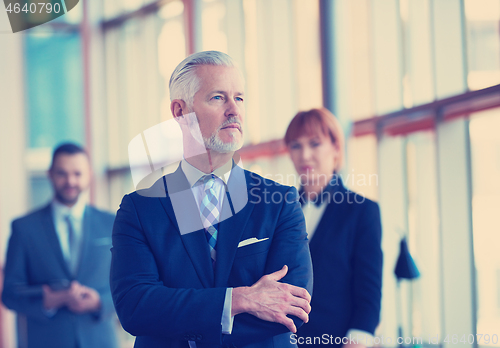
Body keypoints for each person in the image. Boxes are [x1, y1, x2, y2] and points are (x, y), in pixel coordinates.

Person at [110, 50, 313, 348]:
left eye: (239, 98)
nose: (234, 110)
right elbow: (136, 308)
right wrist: (239, 299)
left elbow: (291, 306)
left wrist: (183, 313)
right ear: (180, 112)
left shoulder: (279, 202)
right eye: (218, 98)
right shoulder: (140, 209)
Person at [2, 143, 118, 348]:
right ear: (50, 174)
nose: (70, 181)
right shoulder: (24, 228)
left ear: (89, 174)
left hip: (99, 341)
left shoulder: (111, 224)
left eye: (77, 173)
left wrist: (99, 302)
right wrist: (51, 299)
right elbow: (10, 294)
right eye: (62, 173)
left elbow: (129, 284)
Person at [284, 108, 383, 348]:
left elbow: (368, 295)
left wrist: (357, 341)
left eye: (315, 144)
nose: (305, 155)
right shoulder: (281, 210)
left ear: (336, 148)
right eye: (296, 146)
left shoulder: (361, 211)